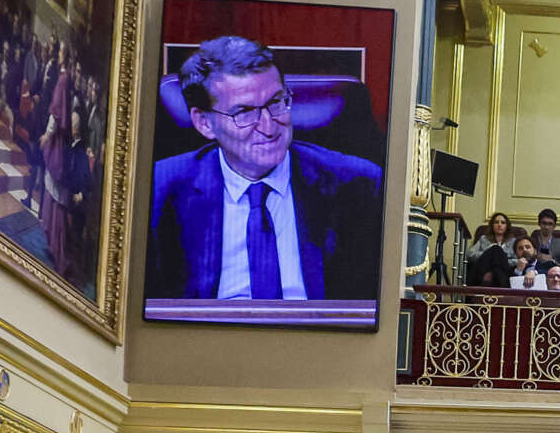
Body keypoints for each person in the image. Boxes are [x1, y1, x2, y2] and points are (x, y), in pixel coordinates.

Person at [145, 36, 385, 306]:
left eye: (276, 103)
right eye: (244, 112)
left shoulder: (360, 186)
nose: (269, 127)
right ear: (204, 123)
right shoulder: (157, 190)